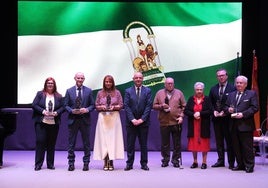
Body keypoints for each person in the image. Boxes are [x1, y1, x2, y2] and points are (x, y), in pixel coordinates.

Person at [224, 75, 259, 173]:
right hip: (233, 125)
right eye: (237, 83)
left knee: (247, 147)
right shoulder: (231, 95)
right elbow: (225, 107)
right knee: (236, 147)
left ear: (245, 84)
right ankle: (240, 164)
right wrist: (228, 109)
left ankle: (249, 165)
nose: (238, 84)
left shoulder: (251, 94)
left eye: (241, 83)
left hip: (246, 125)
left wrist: (243, 114)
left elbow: (255, 108)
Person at [32, 77, 65, 171]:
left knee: (51, 143)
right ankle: (38, 164)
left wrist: (57, 112)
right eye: (48, 83)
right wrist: (43, 111)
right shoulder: (40, 94)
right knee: (40, 142)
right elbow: (34, 105)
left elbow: (63, 107)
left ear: (54, 85)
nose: (50, 84)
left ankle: (50, 164)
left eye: (52, 83)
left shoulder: (59, 96)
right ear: (45, 84)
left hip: (54, 123)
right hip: (41, 122)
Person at [64, 72, 95, 171]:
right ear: (75, 78)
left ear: (84, 79)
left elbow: (92, 105)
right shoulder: (69, 91)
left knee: (86, 143)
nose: (80, 80)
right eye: (78, 78)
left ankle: (86, 163)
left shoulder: (89, 91)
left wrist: (87, 109)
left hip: (85, 120)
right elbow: (65, 105)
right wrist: (71, 110)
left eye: (82, 78)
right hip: (73, 120)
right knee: (71, 144)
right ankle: (71, 163)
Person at [153, 77, 186, 168]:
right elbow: (154, 106)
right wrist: (161, 106)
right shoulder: (159, 93)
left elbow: (184, 107)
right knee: (165, 143)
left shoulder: (179, 93)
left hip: (176, 122)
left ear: (174, 84)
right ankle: (165, 160)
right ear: (165, 84)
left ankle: (175, 160)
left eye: (171, 83)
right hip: (164, 122)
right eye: (168, 83)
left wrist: (181, 116)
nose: (170, 85)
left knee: (177, 143)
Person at [93, 75, 124, 171]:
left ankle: (111, 162)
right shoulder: (99, 93)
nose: (108, 83)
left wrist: (114, 107)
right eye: (106, 82)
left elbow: (121, 105)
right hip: (103, 118)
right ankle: (105, 162)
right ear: (104, 82)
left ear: (112, 83)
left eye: (110, 82)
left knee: (112, 140)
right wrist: (101, 107)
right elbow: (96, 105)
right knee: (104, 141)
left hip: (114, 118)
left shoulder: (117, 92)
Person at [124, 72, 153, 171]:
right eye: (136, 78)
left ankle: (144, 163)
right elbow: (126, 106)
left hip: (143, 123)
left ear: (143, 79)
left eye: (140, 78)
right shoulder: (128, 91)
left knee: (143, 144)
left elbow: (149, 106)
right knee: (130, 144)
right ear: (133, 79)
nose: (138, 79)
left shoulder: (148, 91)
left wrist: (141, 119)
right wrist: (132, 119)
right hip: (131, 123)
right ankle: (129, 164)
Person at [209, 69, 236, 169]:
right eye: (219, 76)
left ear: (227, 76)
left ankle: (231, 162)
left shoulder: (233, 88)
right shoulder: (213, 89)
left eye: (222, 75)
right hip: (217, 120)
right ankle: (220, 161)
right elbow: (210, 103)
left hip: (228, 120)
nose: (221, 77)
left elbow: (234, 103)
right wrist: (214, 111)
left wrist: (225, 112)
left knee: (230, 142)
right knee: (219, 141)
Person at [184, 82, 213, 169]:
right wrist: (193, 114)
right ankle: (195, 161)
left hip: (204, 125)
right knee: (194, 143)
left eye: (200, 89)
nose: (199, 91)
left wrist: (200, 113)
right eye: (197, 89)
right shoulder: (190, 99)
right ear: (195, 90)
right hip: (193, 125)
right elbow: (186, 111)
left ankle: (204, 162)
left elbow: (210, 111)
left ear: (203, 90)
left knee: (204, 143)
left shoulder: (207, 99)